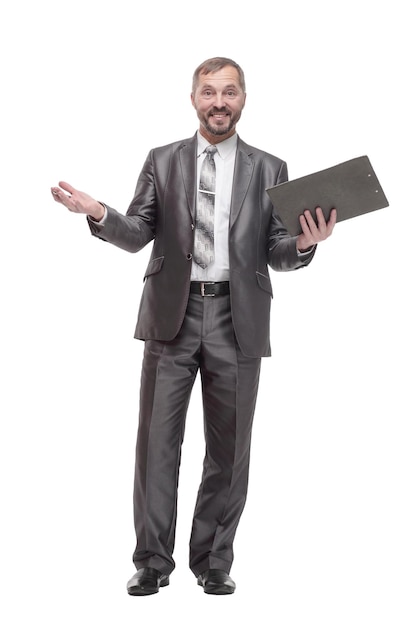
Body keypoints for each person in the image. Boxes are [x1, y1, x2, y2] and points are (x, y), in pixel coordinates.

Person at [51, 56, 336, 596]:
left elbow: (276, 249)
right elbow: (138, 233)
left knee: (229, 449)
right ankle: (153, 561)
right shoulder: (163, 161)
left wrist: (303, 244)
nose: (219, 102)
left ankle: (212, 560)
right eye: (209, 92)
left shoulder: (271, 167)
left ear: (244, 99)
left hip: (238, 318)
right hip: (170, 319)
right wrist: (98, 213)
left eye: (229, 92)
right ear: (193, 99)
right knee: (157, 443)